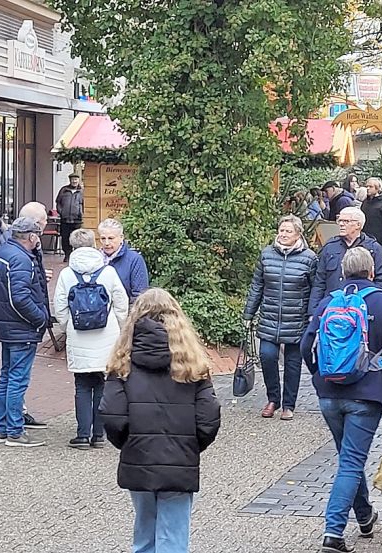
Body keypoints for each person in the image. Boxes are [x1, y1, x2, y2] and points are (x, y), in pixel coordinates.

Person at [301, 247, 382, 553]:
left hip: (329, 395)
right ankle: (333, 533)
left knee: (348, 459)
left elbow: (305, 345)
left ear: (342, 272)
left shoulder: (329, 302)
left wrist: (319, 375)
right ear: (371, 272)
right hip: (366, 396)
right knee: (351, 463)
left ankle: (364, 516)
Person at [100, 288, 221, 553]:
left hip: (139, 457)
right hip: (179, 460)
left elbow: (112, 417)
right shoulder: (194, 365)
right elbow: (208, 419)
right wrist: (188, 445)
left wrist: (130, 443)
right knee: (174, 540)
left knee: (144, 535)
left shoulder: (122, 364)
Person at [54, 229, 129, 449]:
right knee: (103, 384)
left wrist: (69, 327)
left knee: (82, 386)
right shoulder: (107, 271)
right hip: (107, 336)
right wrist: (118, 327)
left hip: (79, 335)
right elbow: (121, 302)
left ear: (73, 246)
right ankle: (99, 434)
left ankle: (82, 434)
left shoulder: (67, 274)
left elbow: (60, 306)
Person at [243, 215, 317, 421]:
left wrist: (312, 315)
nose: (283, 234)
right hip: (270, 316)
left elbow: (315, 289)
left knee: (293, 363)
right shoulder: (266, 254)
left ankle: (288, 405)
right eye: (281, 230)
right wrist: (249, 313)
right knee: (267, 356)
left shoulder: (309, 258)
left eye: (288, 231)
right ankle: (273, 398)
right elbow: (257, 285)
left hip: (296, 318)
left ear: (298, 235)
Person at [0, 217, 50, 447]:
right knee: (17, 379)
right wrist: (41, 318)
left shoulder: (3, 253)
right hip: (21, 328)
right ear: (32, 236)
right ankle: (14, 431)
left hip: (7, 326)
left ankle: (2, 427)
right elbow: (20, 298)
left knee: (6, 376)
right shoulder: (21, 259)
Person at [308, 206, 382, 315]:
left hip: (361, 310)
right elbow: (319, 282)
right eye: (339, 220)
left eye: (346, 221)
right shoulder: (330, 247)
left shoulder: (373, 248)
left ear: (358, 225)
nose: (341, 224)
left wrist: (368, 301)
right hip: (332, 309)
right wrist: (313, 312)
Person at [98, 218, 150, 302]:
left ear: (121, 237)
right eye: (103, 238)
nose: (106, 243)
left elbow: (140, 295)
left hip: (125, 313)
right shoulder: (95, 259)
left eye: (111, 238)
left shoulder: (134, 260)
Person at [55, 174, 84, 262]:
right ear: (70, 180)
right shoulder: (64, 190)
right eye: (73, 179)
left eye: (76, 179)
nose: (74, 181)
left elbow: (84, 204)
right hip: (65, 219)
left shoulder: (82, 191)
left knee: (77, 238)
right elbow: (58, 202)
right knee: (65, 238)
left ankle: (76, 255)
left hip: (77, 220)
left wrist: (82, 213)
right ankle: (67, 255)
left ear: (78, 180)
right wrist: (61, 212)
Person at [360, 177, 382, 251]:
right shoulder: (365, 202)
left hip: (378, 241)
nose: (368, 188)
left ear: (378, 188)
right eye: (367, 186)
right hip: (364, 239)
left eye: (370, 186)